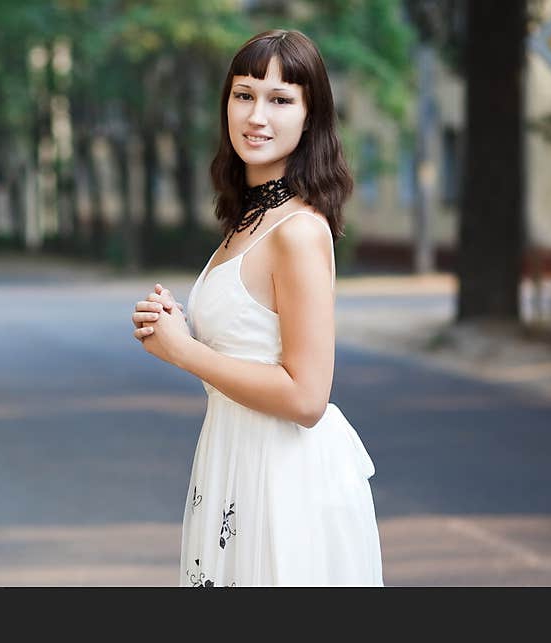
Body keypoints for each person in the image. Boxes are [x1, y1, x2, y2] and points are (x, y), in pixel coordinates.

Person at [132, 29, 384, 586]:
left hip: (284, 480)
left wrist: (184, 352)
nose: (256, 116)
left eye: (280, 99)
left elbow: (306, 395)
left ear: (309, 116)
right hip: (233, 464)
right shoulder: (246, 222)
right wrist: (174, 328)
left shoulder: (298, 231)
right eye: (244, 94)